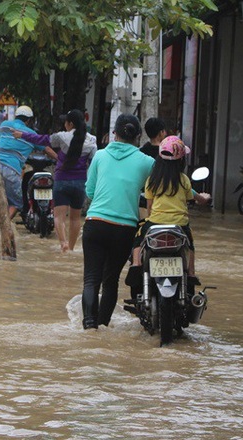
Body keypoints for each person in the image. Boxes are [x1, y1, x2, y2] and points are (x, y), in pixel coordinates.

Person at [80, 114, 155, 330]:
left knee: (91, 279)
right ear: (138, 136)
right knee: (110, 281)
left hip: (95, 223)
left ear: (114, 134)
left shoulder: (100, 156)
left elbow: (90, 191)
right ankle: (103, 325)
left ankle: (89, 327)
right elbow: (165, 184)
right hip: (125, 230)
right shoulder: (147, 162)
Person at [128, 135, 211, 288]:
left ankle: (136, 264)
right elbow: (188, 199)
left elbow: (150, 207)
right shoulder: (184, 180)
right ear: (181, 160)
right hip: (180, 225)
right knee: (190, 244)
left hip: (155, 222)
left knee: (138, 237)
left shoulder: (152, 180)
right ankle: (191, 273)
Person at [12, 109, 98, 252]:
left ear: (70, 123)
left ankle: (63, 243)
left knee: (59, 217)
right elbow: (94, 164)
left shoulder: (62, 137)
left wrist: (22, 135)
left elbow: (42, 139)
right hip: (80, 183)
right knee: (75, 218)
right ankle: (70, 248)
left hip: (62, 181)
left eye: (65, 121)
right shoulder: (92, 141)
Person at [0, 105, 36, 229]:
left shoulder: (4, 125)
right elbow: (46, 148)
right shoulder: (31, 134)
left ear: (16, 116)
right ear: (28, 120)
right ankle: (4, 225)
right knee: (16, 203)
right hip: (12, 170)